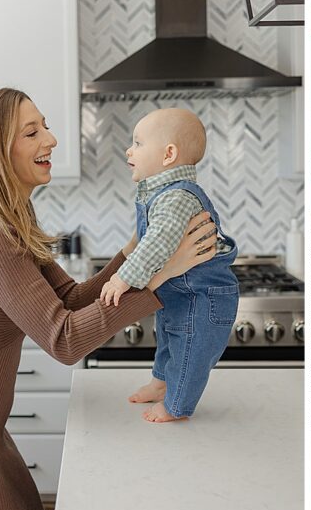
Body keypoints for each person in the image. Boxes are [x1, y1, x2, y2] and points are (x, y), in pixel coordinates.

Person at [0, 88, 217, 510]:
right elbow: (63, 338)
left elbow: (68, 298)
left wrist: (138, 250)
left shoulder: (5, 215)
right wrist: (160, 276)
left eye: (44, 125)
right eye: (32, 131)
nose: (51, 138)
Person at [99, 108, 239, 423]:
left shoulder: (176, 198)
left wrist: (123, 279)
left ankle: (177, 406)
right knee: (168, 337)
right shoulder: (161, 194)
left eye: (137, 143)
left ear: (168, 155)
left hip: (203, 297)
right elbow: (145, 240)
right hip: (180, 292)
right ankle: (160, 384)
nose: (128, 150)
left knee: (188, 351)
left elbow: (157, 245)